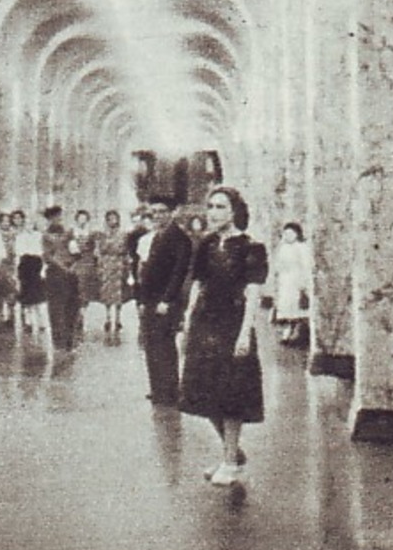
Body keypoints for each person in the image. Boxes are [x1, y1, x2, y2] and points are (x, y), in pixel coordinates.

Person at [179, 186, 267, 486]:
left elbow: (253, 292)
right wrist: (188, 318)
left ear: (234, 212)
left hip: (232, 323)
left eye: (219, 207)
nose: (212, 212)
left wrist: (246, 333)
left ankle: (230, 461)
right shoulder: (205, 244)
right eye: (210, 206)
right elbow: (198, 282)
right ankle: (232, 452)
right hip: (205, 322)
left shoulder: (252, 247)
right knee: (203, 389)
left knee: (231, 393)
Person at [137, 197, 193, 406]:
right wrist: (143, 299)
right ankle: (158, 388)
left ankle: (169, 390)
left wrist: (167, 300)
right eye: (154, 212)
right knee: (152, 344)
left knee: (165, 345)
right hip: (152, 299)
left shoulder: (180, 238)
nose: (158, 216)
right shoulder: (157, 236)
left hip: (165, 301)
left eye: (162, 211)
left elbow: (179, 272)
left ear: (172, 212)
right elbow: (148, 270)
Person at [270, 221, 314, 347]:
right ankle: (287, 332)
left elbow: (307, 265)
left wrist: (304, 283)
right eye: (286, 233)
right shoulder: (283, 247)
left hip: (297, 280)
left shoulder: (302, 247)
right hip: (285, 281)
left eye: (291, 233)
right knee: (287, 310)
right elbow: (278, 265)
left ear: (297, 234)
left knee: (298, 309)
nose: (288, 236)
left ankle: (298, 334)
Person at [41, 205, 78, 351]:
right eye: (56, 217)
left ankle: (70, 339)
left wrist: (73, 266)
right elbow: (47, 256)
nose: (59, 220)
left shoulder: (69, 233)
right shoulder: (46, 236)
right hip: (55, 274)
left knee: (71, 306)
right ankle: (58, 340)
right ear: (50, 219)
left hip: (70, 274)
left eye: (60, 217)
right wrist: (63, 267)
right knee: (56, 307)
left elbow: (75, 251)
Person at [12, 210, 46, 334]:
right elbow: (18, 255)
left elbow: (42, 254)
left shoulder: (39, 236)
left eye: (31, 223)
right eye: (27, 224)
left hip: (36, 264)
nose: (29, 226)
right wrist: (16, 272)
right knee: (26, 295)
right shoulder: (20, 237)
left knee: (38, 295)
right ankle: (28, 322)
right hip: (25, 265)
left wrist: (43, 270)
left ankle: (40, 322)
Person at [96, 209, 130, 331]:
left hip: (119, 264)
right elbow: (101, 249)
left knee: (119, 292)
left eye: (114, 218)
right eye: (110, 219)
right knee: (106, 292)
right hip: (106, 265)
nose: (112, 221)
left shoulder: (123, 234)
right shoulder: (102, 234)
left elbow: (124, 249)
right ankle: (108, 318)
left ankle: (118, 318)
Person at [72, 209, 101, 324]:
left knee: (85, 288)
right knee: (76, 287)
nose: (82, 221)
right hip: (76, 261)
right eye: (80, 218)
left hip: (88, 261)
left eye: (84, 218)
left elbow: (96, 249)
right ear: (77, 219)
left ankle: (82, 313)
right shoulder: (73, 232)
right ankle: (78, 312)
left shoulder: (91, 233)